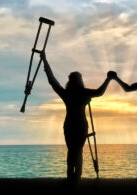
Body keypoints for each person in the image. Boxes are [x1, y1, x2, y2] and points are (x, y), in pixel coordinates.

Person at [40, 51, 113, 181]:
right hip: (80, 126)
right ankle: (77, 176)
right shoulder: (84, 93)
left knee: (71, 150)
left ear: (69, 81)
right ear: (80, 81)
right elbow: (99, 92)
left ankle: (71, 176)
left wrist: (45, 61)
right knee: (78, 150)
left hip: (69, 125)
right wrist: (108, 79)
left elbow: (52, 81)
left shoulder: (66, 93)